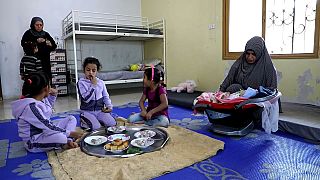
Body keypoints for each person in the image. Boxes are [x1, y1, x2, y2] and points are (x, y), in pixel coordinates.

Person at [11, 72, 83, 152]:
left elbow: (47, 110)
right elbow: (48, 126)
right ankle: (66, 141)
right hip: (34, 140)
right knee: (61, 138)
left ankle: (69, 140)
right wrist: (71, 133)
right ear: (46, 88)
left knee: (71, 118)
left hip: (44, 131)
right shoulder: (30, 108)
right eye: (50, 85)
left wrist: (53, 95)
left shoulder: (38, 98)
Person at [77, 57, 116, 131]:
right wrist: (93, 85)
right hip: (87, 111)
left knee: (112, 124)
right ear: (84, 70)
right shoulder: (81, 83)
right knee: (96, 127)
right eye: (88, 70)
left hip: (99, 110)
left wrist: (109, 106)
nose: (91, 72)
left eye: (93, 70)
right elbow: (85, 99)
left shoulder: (101, 82)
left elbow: (105, 96)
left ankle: (97, 120)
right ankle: (83, 121)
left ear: (97, 71)